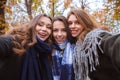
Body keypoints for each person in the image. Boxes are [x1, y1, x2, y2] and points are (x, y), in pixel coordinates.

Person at [67, 8, 120, 80]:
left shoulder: (96, 37)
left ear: (85, 23)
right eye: (70, 23)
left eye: (77, 22)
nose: (72, 26)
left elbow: (113, 43)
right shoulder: (77, 45)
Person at [0, 14, 53, 80]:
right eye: (40, 25)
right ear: (32, 26)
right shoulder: (16, 42)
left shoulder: (44, 52)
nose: (44, 29)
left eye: (49, 27)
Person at [51, 16, 75, 80]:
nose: (59, 34)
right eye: (55, 30)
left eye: (64, 30)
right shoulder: (46, 50)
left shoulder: (76, 49)